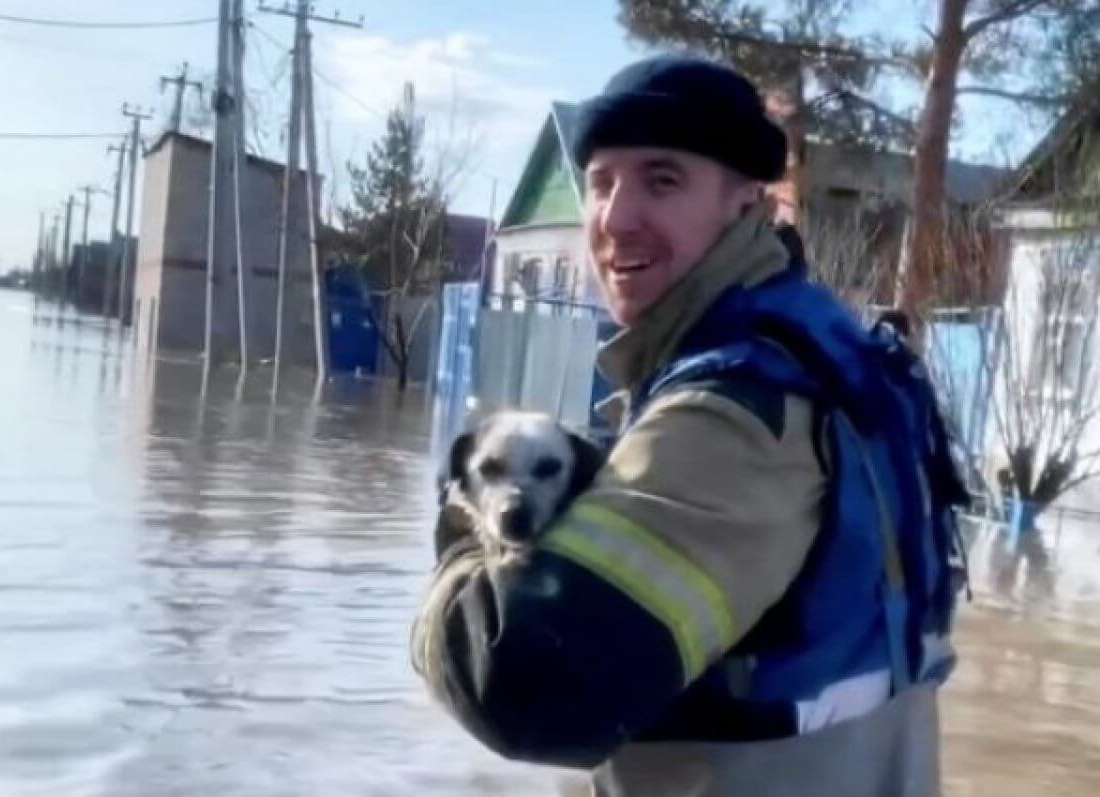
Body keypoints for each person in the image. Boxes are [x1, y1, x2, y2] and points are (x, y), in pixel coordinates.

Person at [411, 55, 967, 796]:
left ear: (745, 204)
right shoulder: (832, 350)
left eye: (662, 179)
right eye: (602, 182)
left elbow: (522, 683)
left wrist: (462, 528)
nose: (616, 216)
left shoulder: (736, 404)